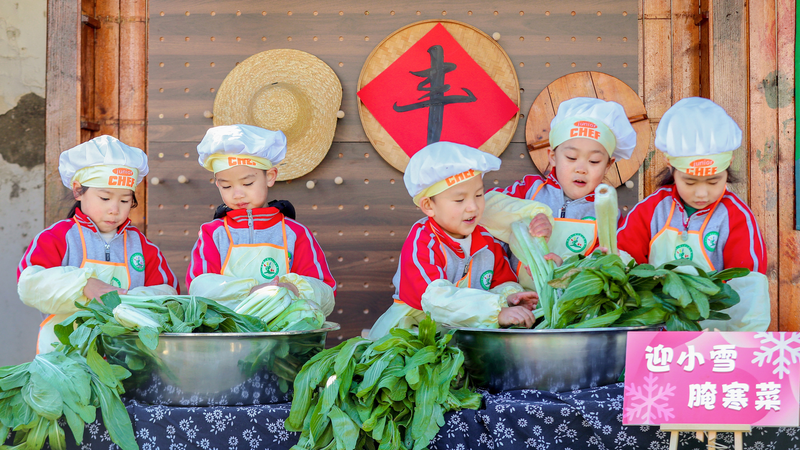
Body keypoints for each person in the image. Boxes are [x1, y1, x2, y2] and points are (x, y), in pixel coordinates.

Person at [617, 97, 769, 331]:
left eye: (713, 181)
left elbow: (748, 286)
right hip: (657, 330)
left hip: (716, 334)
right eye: (689, 181)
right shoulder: (650, 211)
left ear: (727, 169)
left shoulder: (736, 217)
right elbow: (624, 261)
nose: (701, 193)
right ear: (671, 169)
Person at [17, 136, 179, 354]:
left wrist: (126, 300)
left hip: (129, 356)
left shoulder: (144, 247)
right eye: (104, 198)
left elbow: (169, 295)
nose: (115, 209)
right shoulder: (56, 238)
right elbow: (29, 284)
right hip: (65, 356)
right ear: (78, 191)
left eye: (124, 200)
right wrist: (83, 285)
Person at [368, 142, 545, 340]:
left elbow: (503, 281)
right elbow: (434, 299)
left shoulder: (487, 241)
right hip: (413, 335)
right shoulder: (423, 241)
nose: (472, 207)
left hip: (464, 337)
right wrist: (496, 312)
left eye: (478, 195)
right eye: (459, 200)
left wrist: (510, 298)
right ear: (428, 205)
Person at [480, 97, 637, 289]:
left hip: (570, 307)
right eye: (571, 157)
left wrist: (566, 271)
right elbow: (484, 208)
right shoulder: (529, 189)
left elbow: (608, 268)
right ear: (553, 157)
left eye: (594, 161)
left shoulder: (608, 216)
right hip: (517, 300)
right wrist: (531, 214)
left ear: (608, 165)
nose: (581, 168)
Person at [186, 124, 335, 315]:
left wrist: (294, 289)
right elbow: (199, 288)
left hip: (283, 333)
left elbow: (325, 291)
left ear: (270, 176)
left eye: (247, 183)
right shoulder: (213, 234)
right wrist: (252, 291)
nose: (238, 194)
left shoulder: (295, 233)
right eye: (226, 186)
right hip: (227, 335)